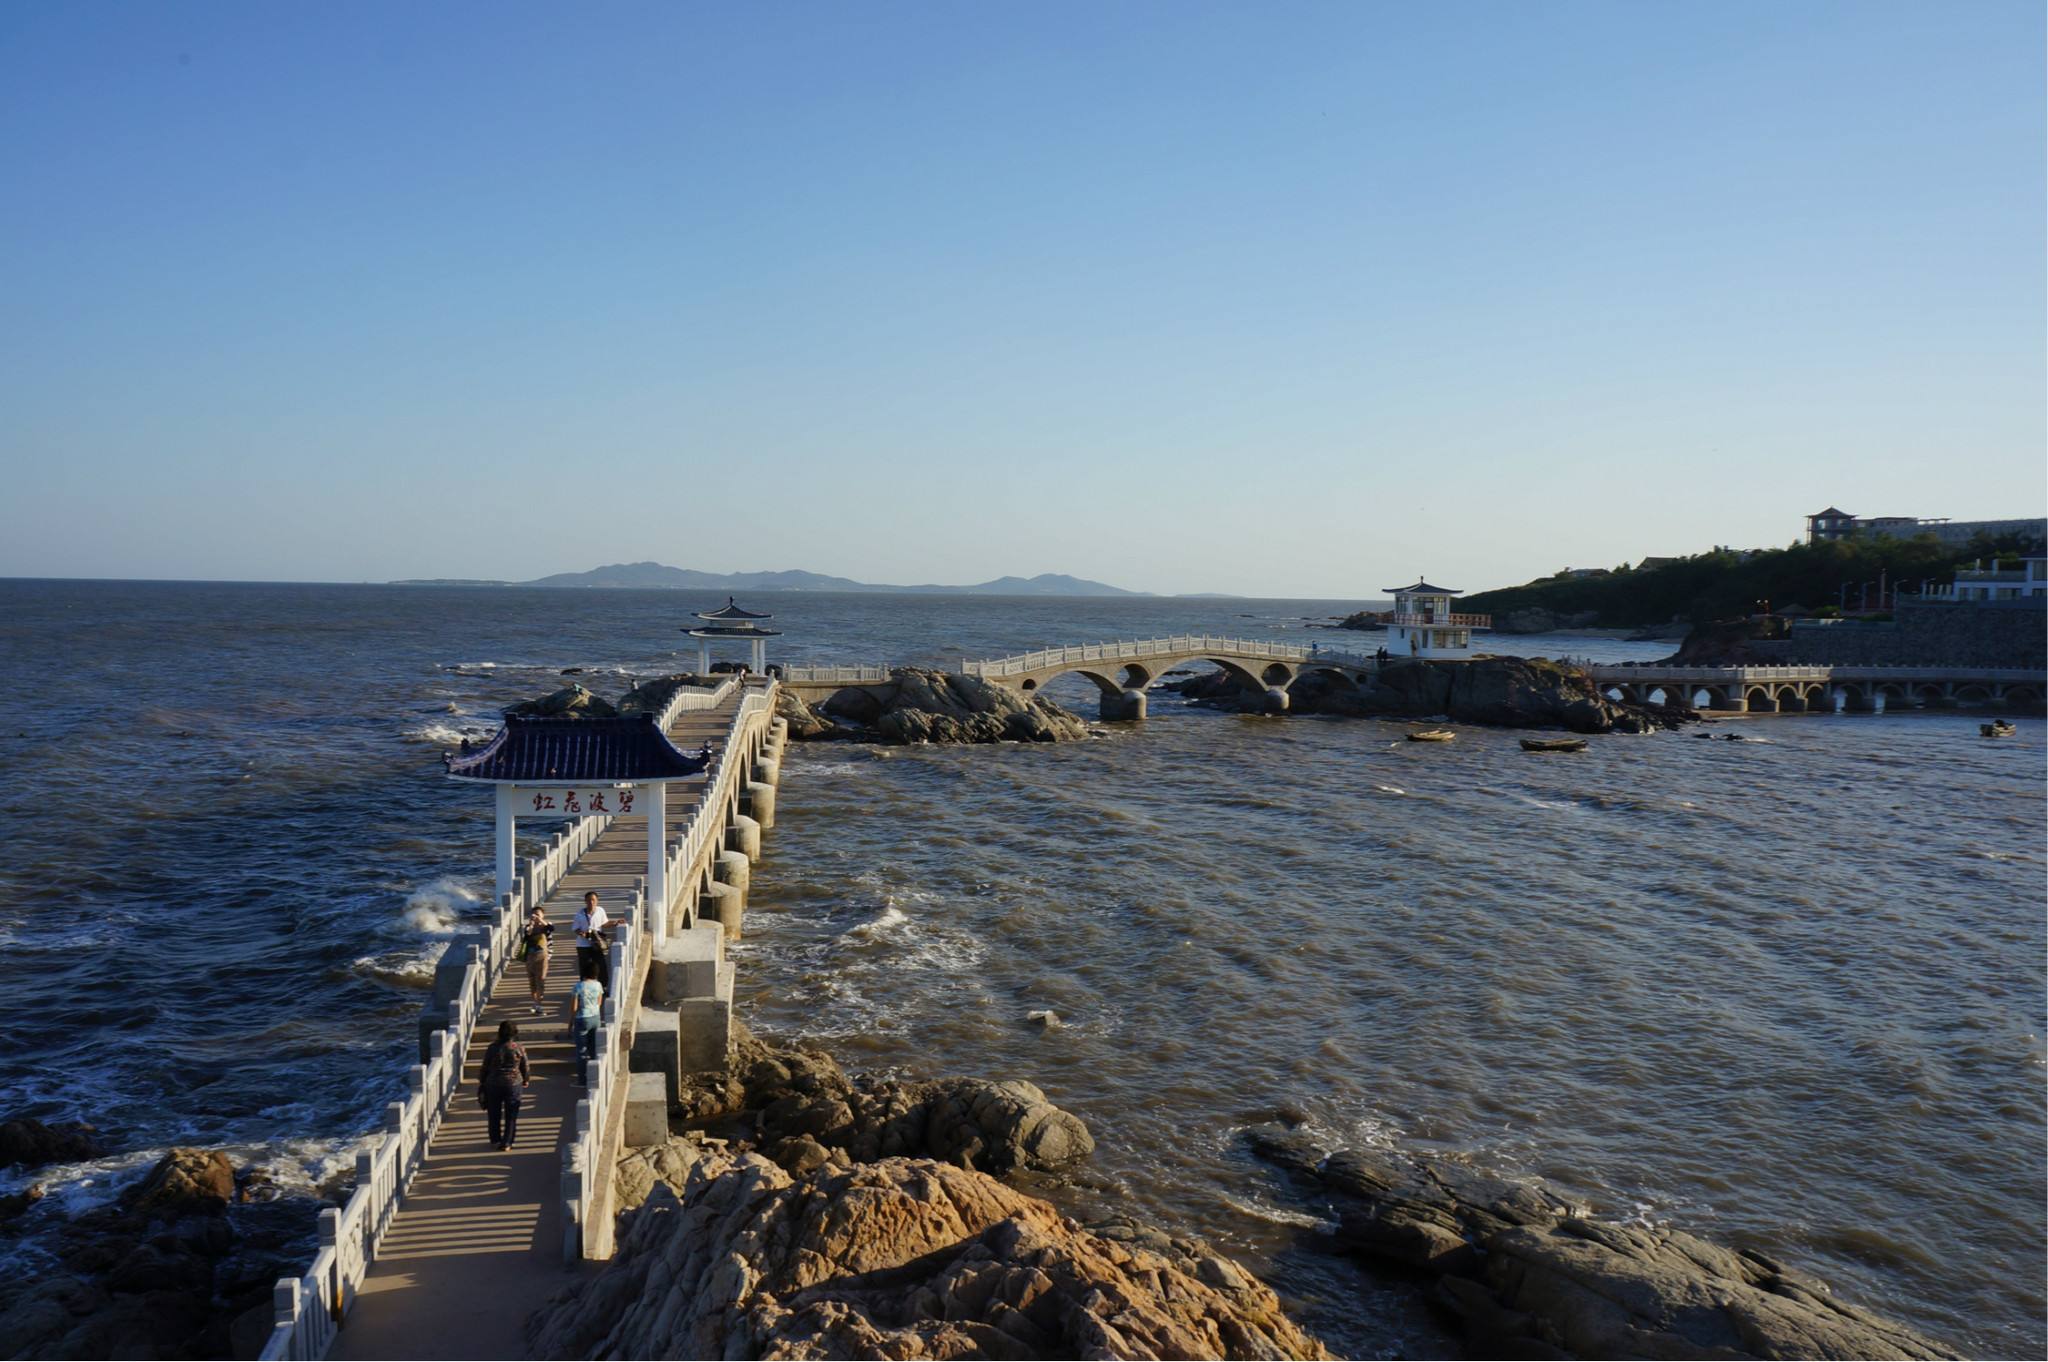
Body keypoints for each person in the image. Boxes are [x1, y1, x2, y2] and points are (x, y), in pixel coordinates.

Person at [477, 1020, 531, 1151]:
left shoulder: (492, 1047)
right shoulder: (519, 1047)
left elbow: (485, 1067)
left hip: (493, 1083)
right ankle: (507, 1143)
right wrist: (526, 1079)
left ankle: (495, 1139)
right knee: (511, 1114)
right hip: (513, 1084)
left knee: (494, 1113)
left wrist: (482, 1081)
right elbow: (525, 1066)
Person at [567, 961, 605, 1087]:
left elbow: (574, 1007)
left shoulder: (578, 986)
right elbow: (599, 1003)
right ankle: (597, 1076)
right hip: (596, 1018)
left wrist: (570, 1022)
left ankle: (582, 1081)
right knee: (594, 1048)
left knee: (581, 1051)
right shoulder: (598, 985)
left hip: (582, 1018)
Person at [573, 891, 610, 997]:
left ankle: (603, 988)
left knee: (601, 966)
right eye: (589, 900)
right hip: (583, 945)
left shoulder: (600, 911)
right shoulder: (579, 914)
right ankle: (583, 990)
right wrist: (581, 933)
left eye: (593, 900)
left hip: (596, 944)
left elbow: (604, 923)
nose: (591, 902)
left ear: (597, 901)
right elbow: (575, 929)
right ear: (585, 901)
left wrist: (615, 923)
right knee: (584, 967)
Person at [521, 905, 554, 1013]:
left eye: (538, 914)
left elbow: (550, 929)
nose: (535, 917)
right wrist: (531, 924)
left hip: (542, 956)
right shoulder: (529, 926)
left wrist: (540, 920)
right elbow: (527, 934)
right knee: (532, 981)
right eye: (534, 914)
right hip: (530, 957)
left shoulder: (546, 926)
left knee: (540, 980)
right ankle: (535, 1002)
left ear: (542, 915)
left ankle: (539, 1003)